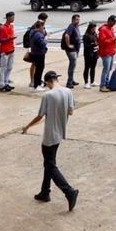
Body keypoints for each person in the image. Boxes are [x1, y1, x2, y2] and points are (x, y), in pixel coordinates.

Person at [21, 70, 79, 210]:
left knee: (50, 165)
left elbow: (40, 116)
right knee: (49, 163)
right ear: (57, 79)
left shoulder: (48, 95)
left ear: (47, 82)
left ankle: (69, 191)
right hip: (60, 132)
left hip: (49, 135)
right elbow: (70, 111)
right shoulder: (68, 92)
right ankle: (45, 192)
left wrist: (27, 126)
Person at [0, 12, 17, 92]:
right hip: (5, 51)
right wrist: (9, 39)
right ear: (8, 18)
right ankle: (2, 85)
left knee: (9, 67)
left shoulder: (11, 26)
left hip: (11, 49)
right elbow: (0, 40)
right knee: (3, 68)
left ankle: (6, 82)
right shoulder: (2, 28)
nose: (13, 19)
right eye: (12, 17)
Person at [97, 15, 116, 92]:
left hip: (111, 51)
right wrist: (113, 39)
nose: (114, 24)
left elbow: (109, 39)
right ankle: (102, 85)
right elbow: (103, 42)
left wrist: (113, 39)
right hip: (106, 52)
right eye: (113, 22)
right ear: (109, 21)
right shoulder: (103, 30)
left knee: (109, 69)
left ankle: (106, 83)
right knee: (106, 69)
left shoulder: (111, 29)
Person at [61, 14, 81, 88]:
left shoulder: (76, 26)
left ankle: (72, 80)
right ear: (73, 20)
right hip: (71, 50)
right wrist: (68, 44)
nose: (78, 21)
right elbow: (67, 35)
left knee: (73, 65)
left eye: (79, 19)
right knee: (72, 65)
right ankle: (69, 83)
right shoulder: (71, 26)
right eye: (76, 19)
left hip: (75, 49)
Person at [28, 20, 49, 91]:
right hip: (39, 54)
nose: (43, 29)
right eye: (43, 27)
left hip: (34, 52)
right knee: (39, 70)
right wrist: (46, 39)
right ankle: (37, 85)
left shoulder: (32, 32)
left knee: (38, 69)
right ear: (40, 26)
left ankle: (37, 83)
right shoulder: (38, 34)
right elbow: (43, 44)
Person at [81, 22, 99, 89]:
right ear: (89, 28)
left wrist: (96, 45)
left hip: (94, 52)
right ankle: (86, 82)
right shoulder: (86, 35)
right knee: (87, 67)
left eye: (94, 28)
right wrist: (92, 44)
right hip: (88, 53)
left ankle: (92, 81)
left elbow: (97, 42)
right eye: (93, 28)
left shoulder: (95, 34)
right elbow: (86, 46)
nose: (94, 29)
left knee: (93, 67)